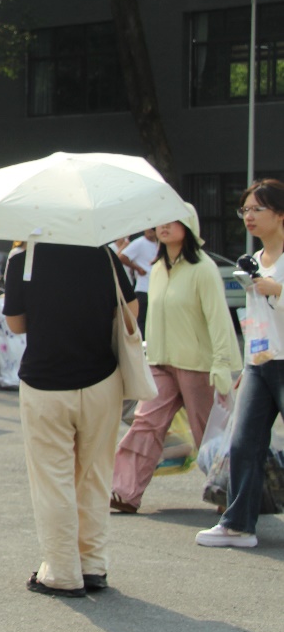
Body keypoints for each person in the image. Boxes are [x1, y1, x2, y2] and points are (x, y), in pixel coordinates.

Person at [3, 242, 135, 596]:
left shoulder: (23, 257)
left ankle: (62, 571)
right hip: (101, 380)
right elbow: (131, 310)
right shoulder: (102, 253)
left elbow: (15, 323)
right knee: (94, 475)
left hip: (45, 382)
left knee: (53, 480)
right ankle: (93, 565)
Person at [111, 208, 240, 514]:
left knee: (209, 432)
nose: (164, 227)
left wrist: (222, 363)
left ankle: (229, 494)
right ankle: (124, 492)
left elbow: (219, 319)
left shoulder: (203, 268)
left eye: (172, 221)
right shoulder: (157, 269)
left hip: (199, 365)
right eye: (160, 221)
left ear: (189, 226)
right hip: (161, 362)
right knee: (145, 424)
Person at [197, 178, 284, 549]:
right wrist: (247, 364)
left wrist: (278, 290)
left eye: (257, 209)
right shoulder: (254, 262)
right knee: (244, 443)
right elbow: (256, 320)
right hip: (259, 364)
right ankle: (238, 525)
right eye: (244, 210)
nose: (248, 216)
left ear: (280, 214)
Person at [119, 228, 157, 337]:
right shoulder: (139, 242)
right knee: (142, 321)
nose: (150, 230)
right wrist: (137, 268)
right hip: (143, 288)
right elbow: (122, 257)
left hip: (155, 288)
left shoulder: (159, 244)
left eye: (153, 228)